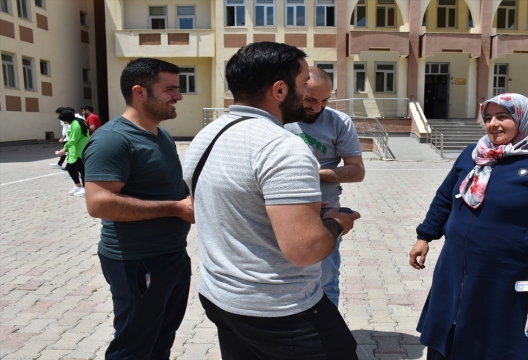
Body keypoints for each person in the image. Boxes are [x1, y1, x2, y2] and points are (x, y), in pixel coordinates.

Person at [182, 42, 360, 360]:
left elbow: (207, 210)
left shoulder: (205, 136)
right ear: (280, 90)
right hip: (278, 309)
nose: (308, 92)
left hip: (219, 297)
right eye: (304, 82)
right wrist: (336, 222)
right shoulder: (282, 148)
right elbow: (305, 249)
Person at [408, 93, 528, 360]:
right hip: (455, 265)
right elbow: (446, 197)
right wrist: (425, 236)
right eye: (488, 117)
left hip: (506, 269)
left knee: (495, 340)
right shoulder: (474, 153)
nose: (493, 124)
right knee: (447, 331)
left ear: (524, 119)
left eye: (503, 116)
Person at [82, 58, 194, 360]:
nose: (178, 96)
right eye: (170, 89)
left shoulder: (162, 135)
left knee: (160, 340)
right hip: (137, 261)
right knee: (133, 347)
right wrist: (175, 208)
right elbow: (98, 203)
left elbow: (166, 186)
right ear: (139, 92)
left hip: (172, 256)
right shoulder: (113, 139)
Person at [284, 66, 365, 307]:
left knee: (327, 280)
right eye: (310, 99)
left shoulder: (339, 121)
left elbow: (357, 171)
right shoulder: (276, 119)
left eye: (325, 100)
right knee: (285, 278)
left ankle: (328, 341)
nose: (317, 107)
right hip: (282, 210)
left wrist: (314, 173)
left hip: (326, 213)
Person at [55, 110, 89, 196]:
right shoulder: (75, 122)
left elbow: (74, 139)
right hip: (75, 150)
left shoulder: (76, 125)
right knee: (70, 168)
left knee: (82, 170)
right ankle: (78, 186)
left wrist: (63, 149)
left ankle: (85, 189)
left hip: (80, 150)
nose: (64, 122)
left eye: (64, 120)